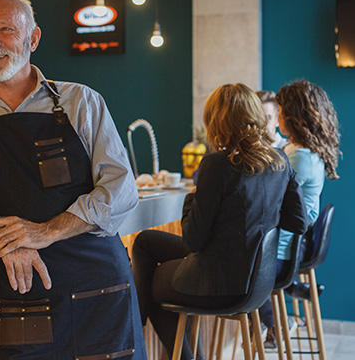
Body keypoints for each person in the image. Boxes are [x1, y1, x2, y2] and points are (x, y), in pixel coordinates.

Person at [0, 0, 146, 360]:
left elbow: (121, 188)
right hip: (23, 282)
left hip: (95, 276)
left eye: (5, 30)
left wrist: (45, 232)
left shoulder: (81, 101)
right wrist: (8, 237)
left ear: (33, 38)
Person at [131, 83, 308, 360]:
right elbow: (299, 222)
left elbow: (193, 242)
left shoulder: (217, 165)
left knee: (152, 278)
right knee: (145, 241)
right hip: (257, 284)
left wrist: (191, 198)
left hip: (223, 284)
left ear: (217, 121)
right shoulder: (280, 160)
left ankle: (139, 339)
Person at [259, 80, 341, 351]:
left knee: (233, 262)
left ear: (292, 117)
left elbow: (268, 202)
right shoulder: (304, 152)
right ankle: (279, 316)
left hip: (279, 255)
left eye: (280, 110)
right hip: (289, 249)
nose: (278, 116)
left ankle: (275, 326)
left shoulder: (297, 157)